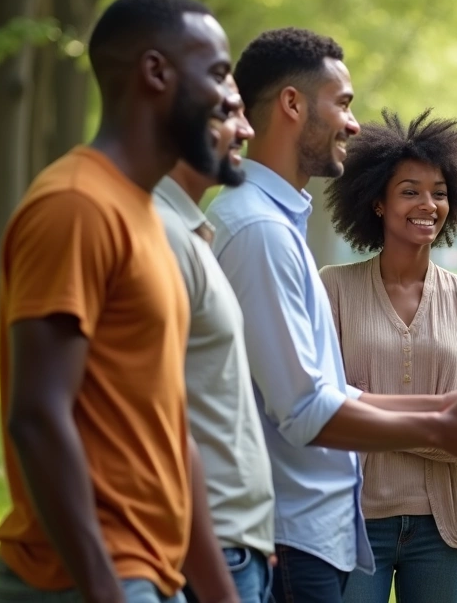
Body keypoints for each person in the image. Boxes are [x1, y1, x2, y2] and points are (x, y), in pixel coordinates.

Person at [206, 27, 457, 603]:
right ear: (292, 103)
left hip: (329, 531)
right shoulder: (262, 231)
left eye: (438, 193)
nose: (352, 123)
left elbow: (331, 393)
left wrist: (442, 410)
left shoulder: (276, 226)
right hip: (297, 530)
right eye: (343, 103)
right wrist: (442, 425)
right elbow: (309, 409)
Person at [0, 0, 239, 603]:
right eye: (214, 73)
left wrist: (218, 592)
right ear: (155, 72)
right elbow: (39, 416)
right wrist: (105, 588)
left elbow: (169, 429)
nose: (227, 98)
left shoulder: (150, 218)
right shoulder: (75, 206)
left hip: (150, 573)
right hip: (85, 577)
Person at [318, 108, 457, 603]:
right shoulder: (332, 288)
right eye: (410, 190)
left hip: (443, 531)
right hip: (351, 525)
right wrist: (443, 422)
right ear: (377, 202)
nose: (428, 204)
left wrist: (365, 412)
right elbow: (321, 411)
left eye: (439, 192)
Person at [154, 79, 277, 603]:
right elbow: (162, 423)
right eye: (228, 113)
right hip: (209, 552)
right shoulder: (158, 231)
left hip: (234, 544)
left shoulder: (189, 229)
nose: (246, 130)